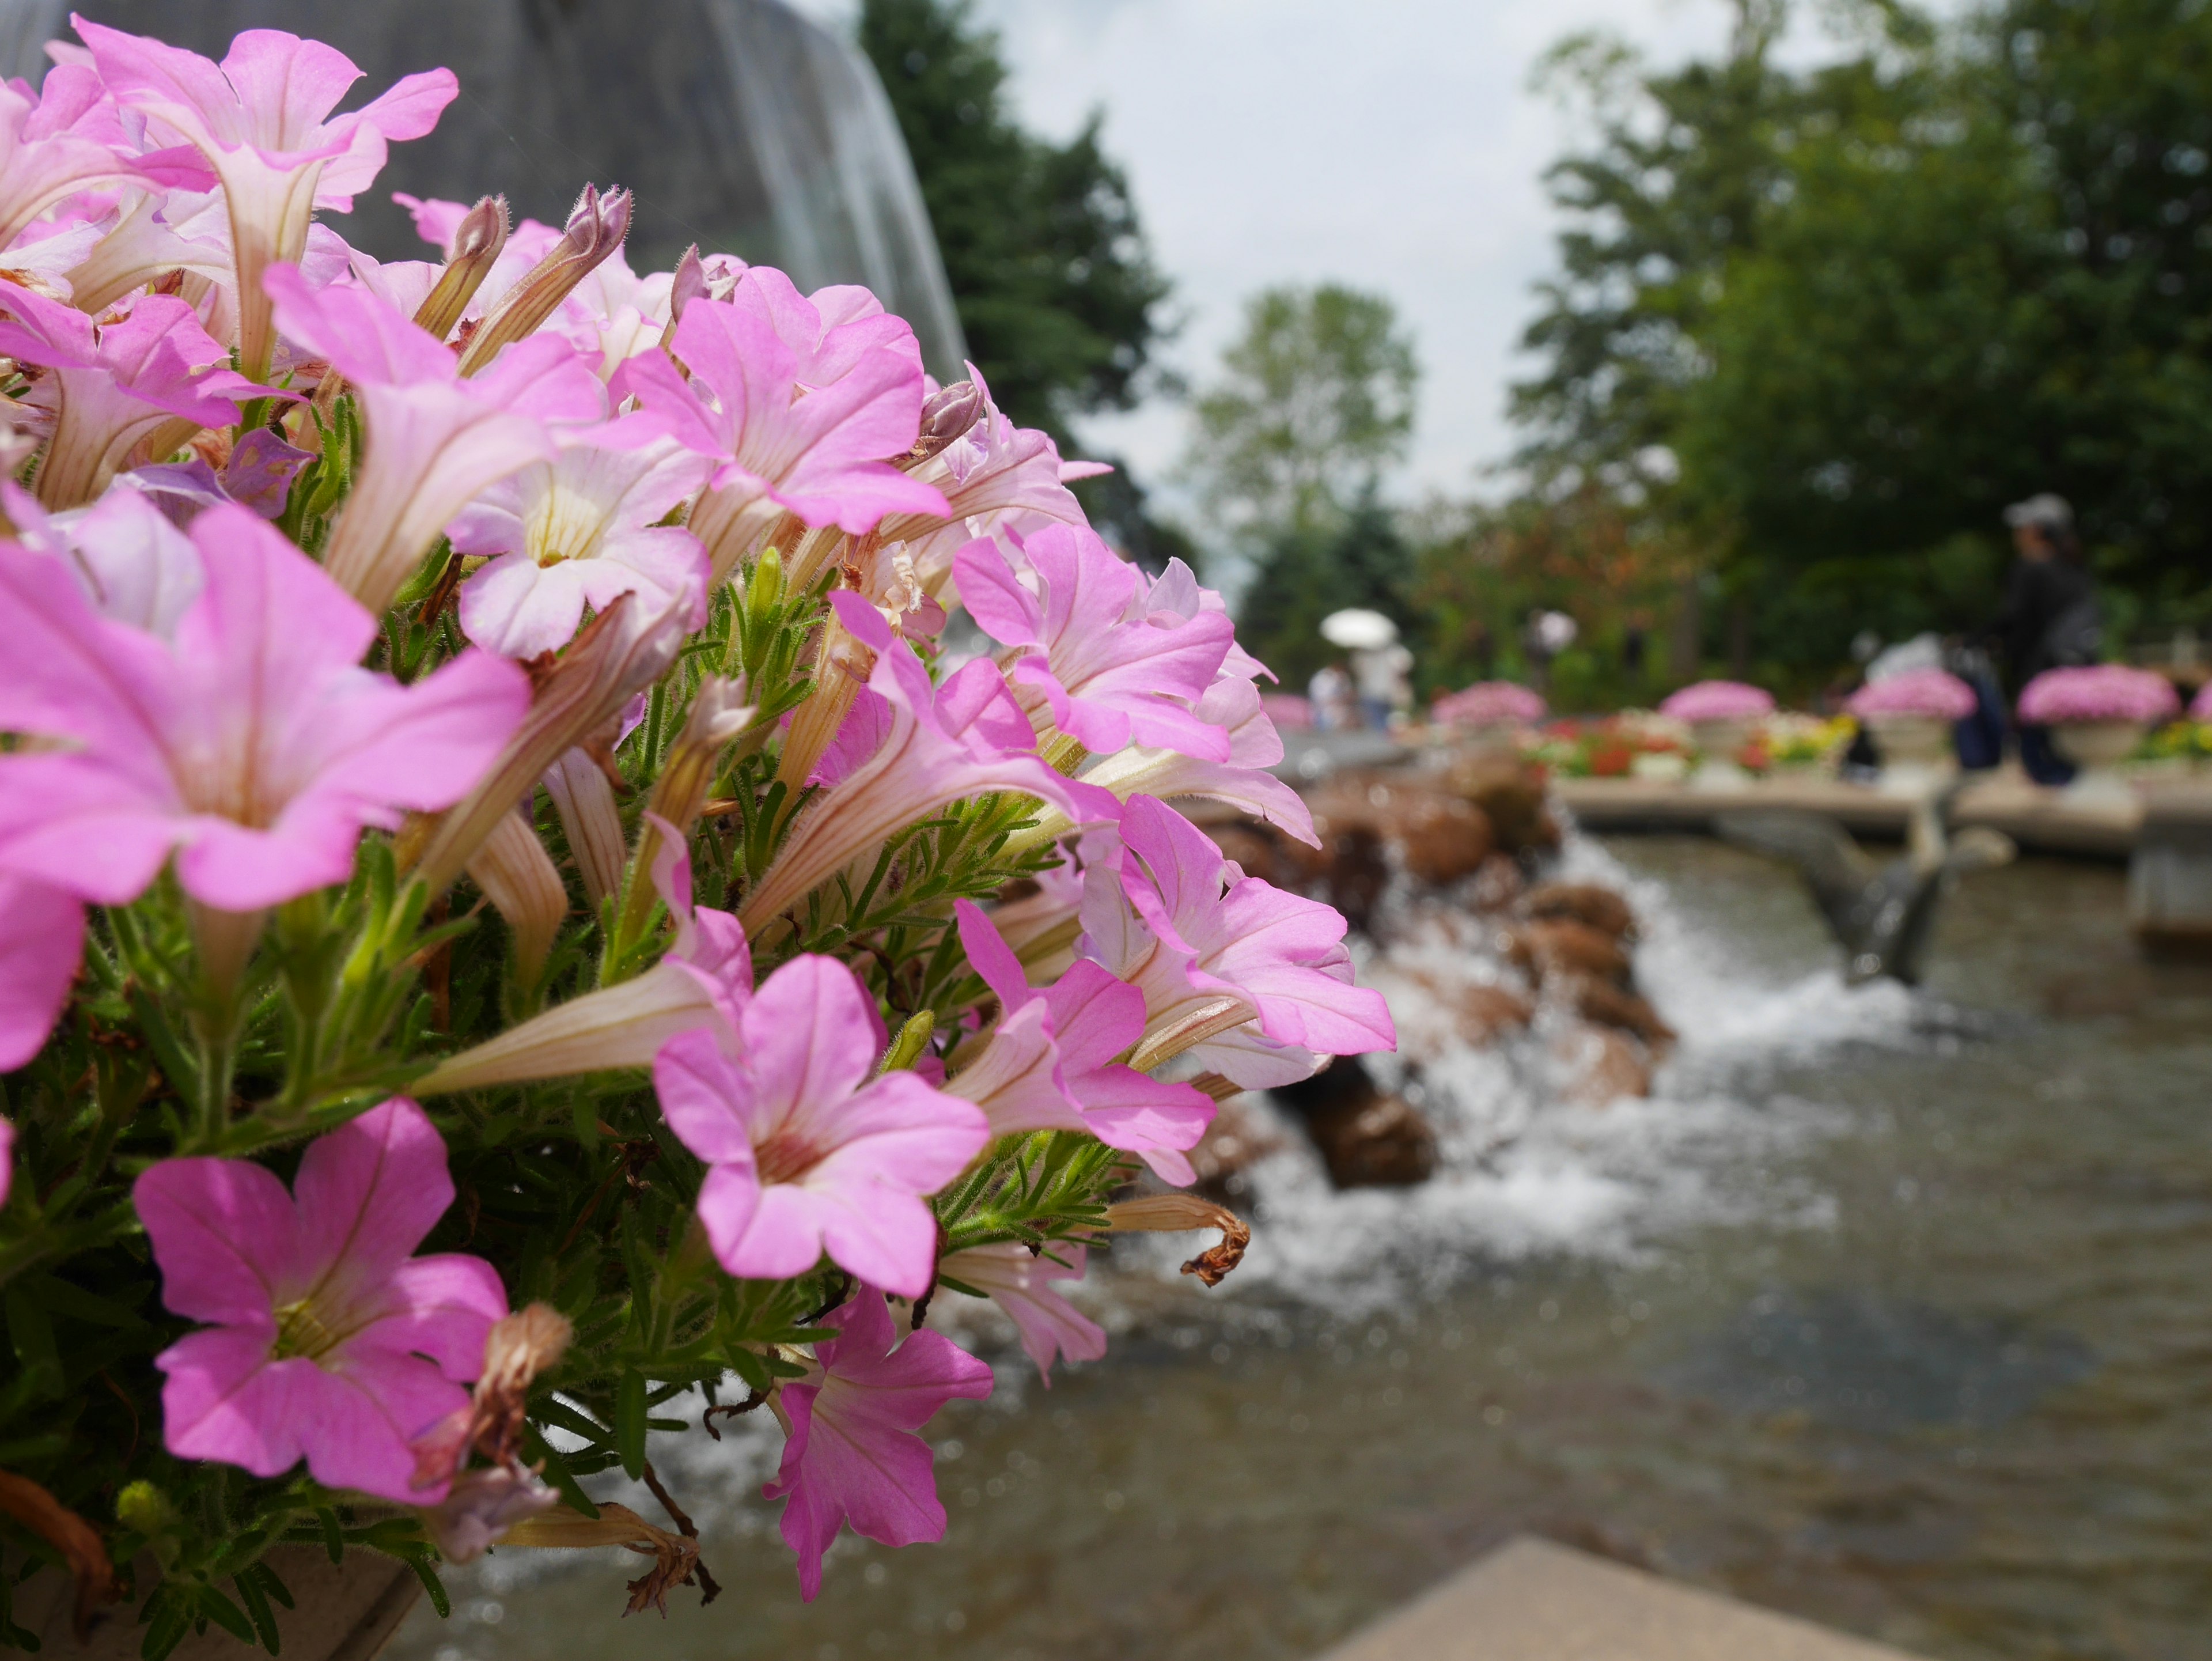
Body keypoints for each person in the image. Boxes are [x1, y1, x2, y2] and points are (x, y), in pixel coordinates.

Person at [1995, 493, 2099, 785]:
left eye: (2022, 527)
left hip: (2039, 677)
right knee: (2071, 762)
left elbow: (2011, 620)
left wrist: (1978, 640)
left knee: (2041, 764)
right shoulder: (2075, 569)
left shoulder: (2030, 568)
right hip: (2078, 673)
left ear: (2038, 530)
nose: (2017, 535)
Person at [1349, 640, 1412, 731]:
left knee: (1384, 721)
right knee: (1385, 721)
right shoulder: (1395, 652)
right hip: (1378, 691)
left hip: (1380, 692)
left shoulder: (1364, 654)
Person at [1308, 661, 1356, 732]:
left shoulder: (1342, 678)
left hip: (1338, 709)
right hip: (1326, 711)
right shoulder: (1323, 678)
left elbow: (1349, 694)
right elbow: (1322, 699)